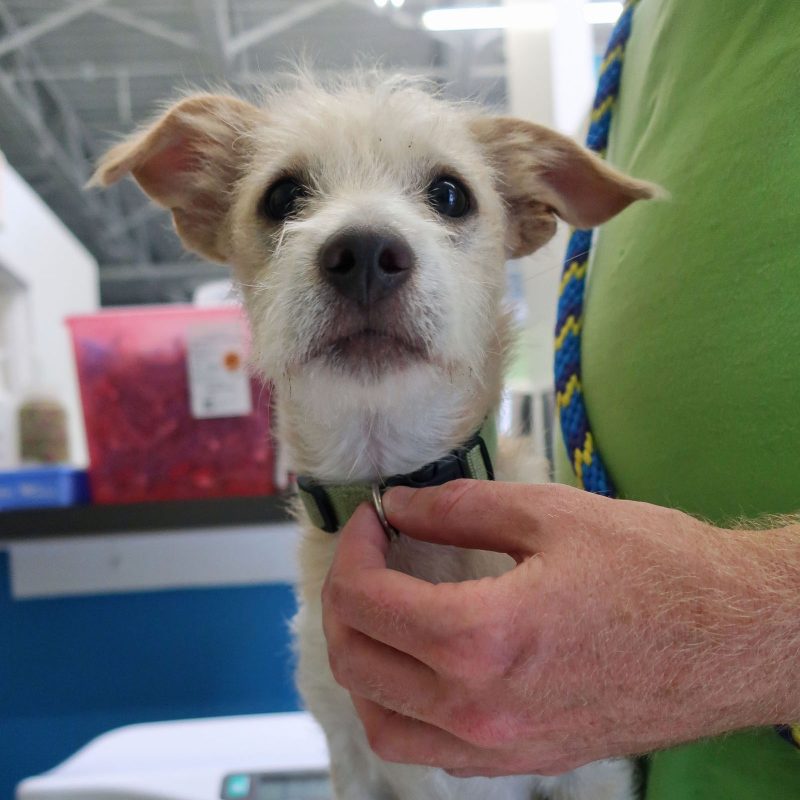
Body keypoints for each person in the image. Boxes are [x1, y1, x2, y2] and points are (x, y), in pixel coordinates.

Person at [321, 0, 800, 797]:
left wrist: (736, 628)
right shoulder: (651, 27)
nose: (363, 243)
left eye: (446, 197)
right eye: (284, 198)